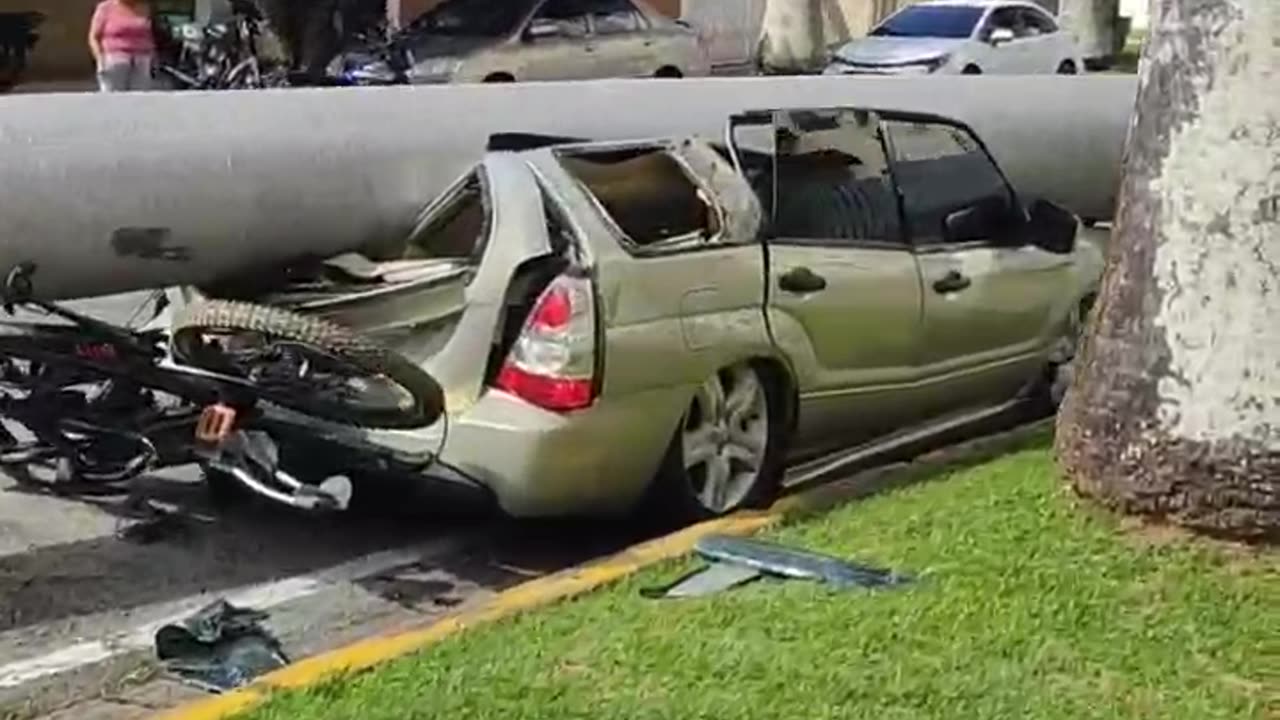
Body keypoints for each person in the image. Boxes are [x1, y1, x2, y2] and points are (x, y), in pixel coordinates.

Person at [88, 0, 156, 92]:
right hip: (115, 58)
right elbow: (94, 36)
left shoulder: (143, 8)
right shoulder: (105, 8)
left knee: (140, 96)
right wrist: (100, 60)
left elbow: (148, 35)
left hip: (142, 60)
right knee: (114, 96)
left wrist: (152, 57)